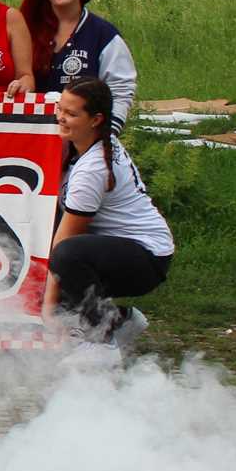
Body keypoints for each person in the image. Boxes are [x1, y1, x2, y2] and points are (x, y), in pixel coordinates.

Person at [45, 78, 173, 349]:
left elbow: (64, 244)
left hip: (147, 257)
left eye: (71, 114)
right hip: (127, 248)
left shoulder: (91, 170)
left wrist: (48, 308)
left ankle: (100, 343)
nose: (60, 117)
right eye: (59, 109)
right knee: (56, 256)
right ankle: (120, 320)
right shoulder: (94, 141)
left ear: (96, 120)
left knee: (66, 257)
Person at [20, 0, 138, 128]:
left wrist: (108, 134)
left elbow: (120, 90)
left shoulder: (103, 35)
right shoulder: (26, 30)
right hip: (33, 134)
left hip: (83, 137)